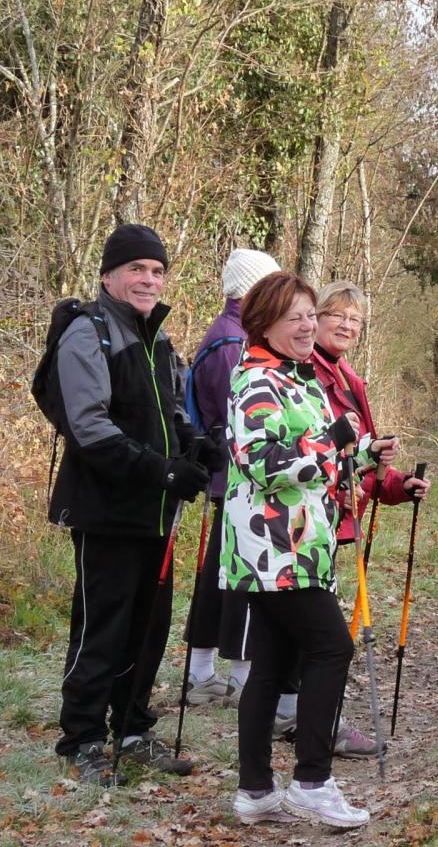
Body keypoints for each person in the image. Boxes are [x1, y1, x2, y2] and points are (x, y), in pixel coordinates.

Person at [221, 272, 397, 828]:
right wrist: (335, 446)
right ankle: (312, 780)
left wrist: (367, 450)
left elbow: (324, 452)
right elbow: (266, 465)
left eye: (307, 315)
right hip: (273, 546)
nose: (305, 325)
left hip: (304, 543)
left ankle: (255, 791)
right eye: (293, 316)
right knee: (330, 649)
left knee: (271, 665)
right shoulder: (255, 380)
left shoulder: (298, 379)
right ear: (264, 323)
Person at [50, 223, 215, 785]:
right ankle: (83, 739)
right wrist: (164, 470)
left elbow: (171, 414)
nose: (148, 279)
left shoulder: (157, 338)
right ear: (108, 276)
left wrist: (196, 445)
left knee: (149, 626)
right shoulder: (87, 334)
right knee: (103, 626)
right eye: (137, 269)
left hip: (155, 514)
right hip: (106, 510)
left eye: (157, 270)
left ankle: (134, 729)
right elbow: (89, 428)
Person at [306, 279, 431, 756]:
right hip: (301, 521)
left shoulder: (351, 382)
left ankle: (305, 717)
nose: (347, 325)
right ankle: (316, 725)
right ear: (314, 317)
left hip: (336, 523)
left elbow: (370, 464)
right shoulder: (302, 375)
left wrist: (400, 485)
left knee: (316, 636)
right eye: (337, 315)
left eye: (355, 320)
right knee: (325, 639)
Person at [183, 248, 282, 708]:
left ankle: (201, 673)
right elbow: (243, 419)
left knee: (216, 577)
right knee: (242, 577)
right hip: (238, 478)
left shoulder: (234, 333)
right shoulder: (231, 342)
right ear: (253, 289)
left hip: (228, 476)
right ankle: (239, 678)